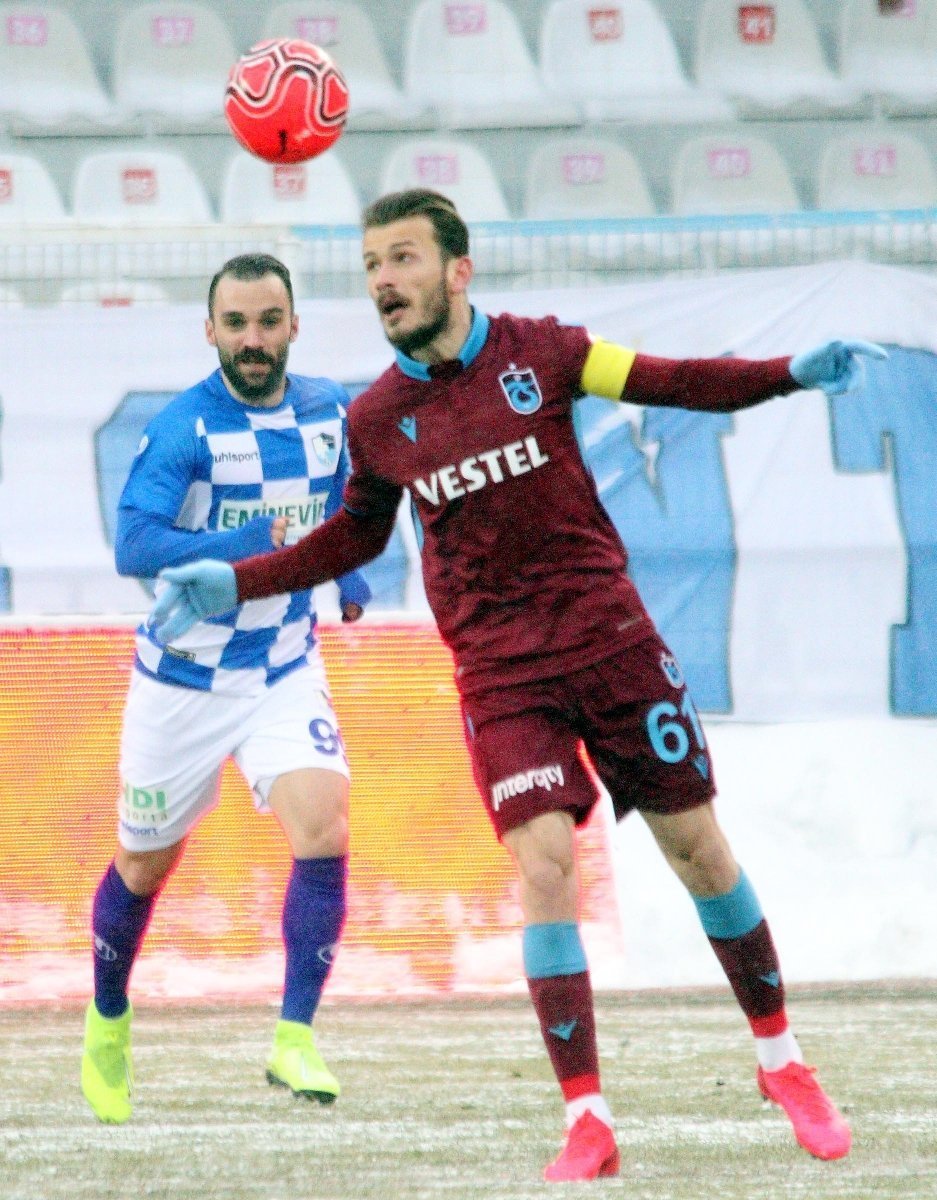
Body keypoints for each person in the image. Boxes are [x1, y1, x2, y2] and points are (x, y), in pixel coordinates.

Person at [150, 192, 884, 1180]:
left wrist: (787, 374)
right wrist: (234, 580)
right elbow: (353, 538)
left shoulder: (548, 353)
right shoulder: (376, 420)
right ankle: (586, 1118)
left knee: (698, 851)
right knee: (545, 864)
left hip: (609, 641)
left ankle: (781, 1061)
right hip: (500, 673)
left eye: (402, 258)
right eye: (371, 265)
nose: (382, 281)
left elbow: (673, 381)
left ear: (458, 269)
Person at [81, 252, 371, 1125]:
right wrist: (241, 550)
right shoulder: (186, 429)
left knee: (324, 825)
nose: (253, 339)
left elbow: (349, 501)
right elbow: (134, 545)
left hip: (283, 665)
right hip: (183, 680)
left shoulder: (329, 412)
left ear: (293, 326)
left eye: (268, 321)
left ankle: (293, 1037)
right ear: (209, 330)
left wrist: (348, 572)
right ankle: (107, 1020)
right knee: (143, 864)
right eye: (236, 323)